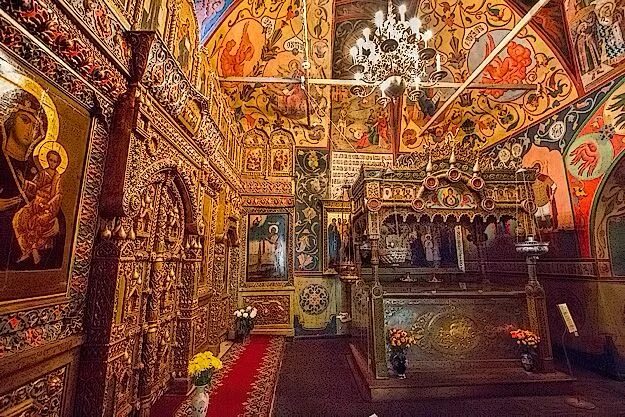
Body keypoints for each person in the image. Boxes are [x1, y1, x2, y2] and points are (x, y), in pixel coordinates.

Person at [0, 88, 64, 270]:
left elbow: (52, 201)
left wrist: (56, 222)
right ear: (10, 119)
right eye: (25, 120)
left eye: (36, 126)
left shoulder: (37, 169)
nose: (31, 130)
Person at [13, 149, 64, 264]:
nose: (52, 163)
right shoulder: (42, 173)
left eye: (55, 161)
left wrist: (48, 204)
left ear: (58, 163)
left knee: (35, 221)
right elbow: (35, 186)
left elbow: (58, 195)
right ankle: (26, 249)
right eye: (50, 160)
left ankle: (33, 250)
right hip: (37, 202)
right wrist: (23, 181)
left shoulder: (57, 178)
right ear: (47, 160)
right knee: (21, 216)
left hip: (48, 206)